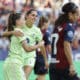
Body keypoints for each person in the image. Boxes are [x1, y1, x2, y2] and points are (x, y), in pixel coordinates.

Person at [3, 9, 49, 80]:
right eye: (33, 15)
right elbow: (4, 34)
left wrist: (45, 60)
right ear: (27, 16)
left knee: (24, 78)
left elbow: (42, 46)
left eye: (36, 16)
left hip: (30, 57)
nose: (35, 17)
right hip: (20, 55)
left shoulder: (37, 30)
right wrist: (13, 32)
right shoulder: (20, 25)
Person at [49, 2, 80, 80]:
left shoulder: (57, 27)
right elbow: (66, 45)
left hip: (53, 66)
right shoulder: (69, 27)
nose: (78, 17)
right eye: (76, 14)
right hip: (63, 66)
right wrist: (71, 65)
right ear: (70, 15)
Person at [34, 16, 51, 80]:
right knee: (42, 78)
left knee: (39, 77)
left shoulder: (35, 31)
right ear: (44, 23)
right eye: (48, 23)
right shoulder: (46, 33)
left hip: (34, 56)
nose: (48, 25)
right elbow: (49, 48)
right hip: (42, 57)